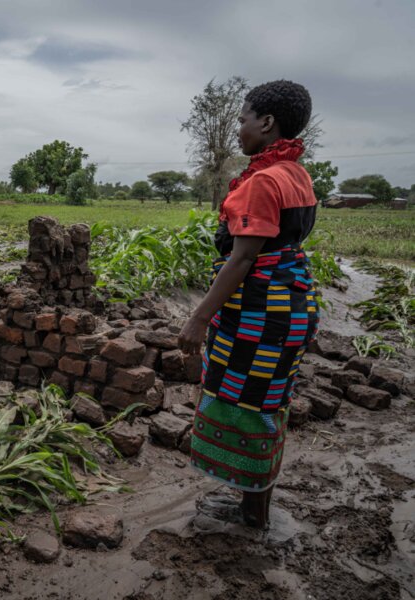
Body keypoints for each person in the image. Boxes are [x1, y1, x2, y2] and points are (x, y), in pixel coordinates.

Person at [178, 79, 319, 529]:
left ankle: (252, 515)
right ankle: (254, 507)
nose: (239, 129)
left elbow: (241, 260)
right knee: (267, 404)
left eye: (242, 120)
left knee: (243, 406)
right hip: (292, 302)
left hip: (260, 313)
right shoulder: (296, 175)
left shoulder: (263, 182)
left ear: (267, 122)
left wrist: (199, 319)